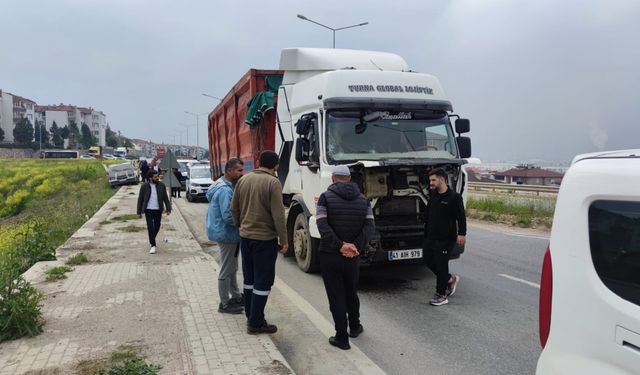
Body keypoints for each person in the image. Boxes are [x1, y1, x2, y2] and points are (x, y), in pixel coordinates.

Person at [316, 165, 375, 350]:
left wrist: (340, 245)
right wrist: (354, 246)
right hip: (353, 256)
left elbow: (322, 225)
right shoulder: (364, 200)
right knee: (351, 291)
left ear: (333, 178)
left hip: (330, 255)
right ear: (349, 179)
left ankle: (342, 337)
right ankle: (355, 327)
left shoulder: (325, 198)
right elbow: (369, 228)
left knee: (336, 295)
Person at [231, 150, 288, 335]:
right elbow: (278, 215)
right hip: (264, 239)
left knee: (249, 279)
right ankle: (255, 323)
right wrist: (284, 240)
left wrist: (241, 226)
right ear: (276, 166)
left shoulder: (243, 180)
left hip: (245, 237)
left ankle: (251, 314)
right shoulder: (273, 182)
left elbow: (234, 208)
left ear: (259, 162)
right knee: (263, 281)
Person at [206, 158, 245, 314]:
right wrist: (244, 222)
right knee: (226, 269)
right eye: (239, 170)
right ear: (229, 171)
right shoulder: (225, 190)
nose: (242, 173)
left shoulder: (220, 185)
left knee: (232, 267)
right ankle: (224, 303)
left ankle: (235, 295)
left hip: (224, 233)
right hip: (227, 234)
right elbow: (228, 217)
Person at [423, 168, 466, 306]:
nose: (431, 182)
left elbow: (461, 217)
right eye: (430, 180)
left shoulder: (454, 197)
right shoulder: (433, 196)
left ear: (442, 179)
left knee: (441, 265)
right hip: (431, 237)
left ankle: (441, 295)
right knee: (427, 260)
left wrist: (462, 234)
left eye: (433, 180)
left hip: (446, 238)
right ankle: (449, 279)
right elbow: (429, 217)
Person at [137, 169, 171, 254]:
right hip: (148, 210)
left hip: (158, 210)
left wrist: (168, 209)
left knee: (157, 226)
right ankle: (153, 245)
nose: (157, 178)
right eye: (155, 177)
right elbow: (140, 199)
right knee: (150, 227)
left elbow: (165, 198)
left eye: (158, 176)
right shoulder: (144, 186)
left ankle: (152, 238)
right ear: (150, 178)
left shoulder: (161, 186)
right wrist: (139, 212)